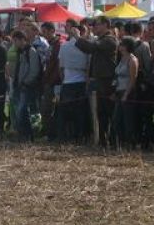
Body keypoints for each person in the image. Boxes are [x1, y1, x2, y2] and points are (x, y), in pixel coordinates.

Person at [70, 16, 118, 146]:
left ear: (105, 25)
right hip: (100, 81)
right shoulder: (101, 40)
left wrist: (77, 37)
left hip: (107, 82)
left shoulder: (110, 40)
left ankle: (112, 142)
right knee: (100, 114)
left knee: (109, 113)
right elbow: (89, 48)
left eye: (96, 25)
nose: (93, 27)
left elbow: (91, 48)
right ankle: (102, 141)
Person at [56, 22, 90, 143]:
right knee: (80, 112)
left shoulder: (64, 46)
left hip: (67, 82)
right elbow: (88, 67)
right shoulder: (85, 48)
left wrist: (63, 79)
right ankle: (79, 135)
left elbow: (60, 67)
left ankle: (64, 136)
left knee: (64, 112)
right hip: (81, 81)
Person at [12, 30, 42, 142]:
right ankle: (22, 134)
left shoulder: (31, 51)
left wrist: (25, 82)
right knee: (20, 111)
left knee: (23, 110)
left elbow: (34, 70)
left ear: (22, 40)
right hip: (19, 85)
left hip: (26, 86)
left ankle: (28, 135)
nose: (14, 43)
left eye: (15, 40)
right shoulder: (20, 52)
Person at [111, 37, 139, 149]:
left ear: (127, 46)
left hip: (127, 92)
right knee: (116, 119)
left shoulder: (132, 60)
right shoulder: (121, 58)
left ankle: (130, 144)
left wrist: (126, 94)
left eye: (122, 44)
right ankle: (119, 143)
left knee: (128, 120)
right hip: (119, 91)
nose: (119, 46)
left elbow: (133, 79)